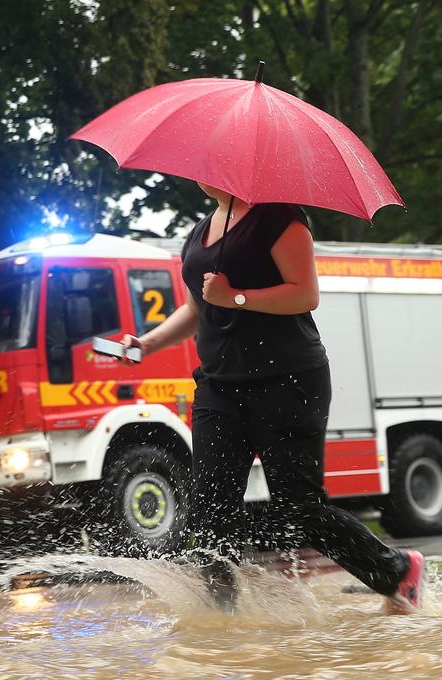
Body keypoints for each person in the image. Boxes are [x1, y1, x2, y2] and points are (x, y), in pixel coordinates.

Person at [120, 182, 425, 613]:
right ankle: (220, 617)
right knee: (210, 511)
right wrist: (147, 343)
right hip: (219, 387)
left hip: (288, 381)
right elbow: (196, 308)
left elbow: (305, 293)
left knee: (299, 509)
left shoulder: (282, 218)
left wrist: (236, 297)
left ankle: (398, 570)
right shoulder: (199, 232)